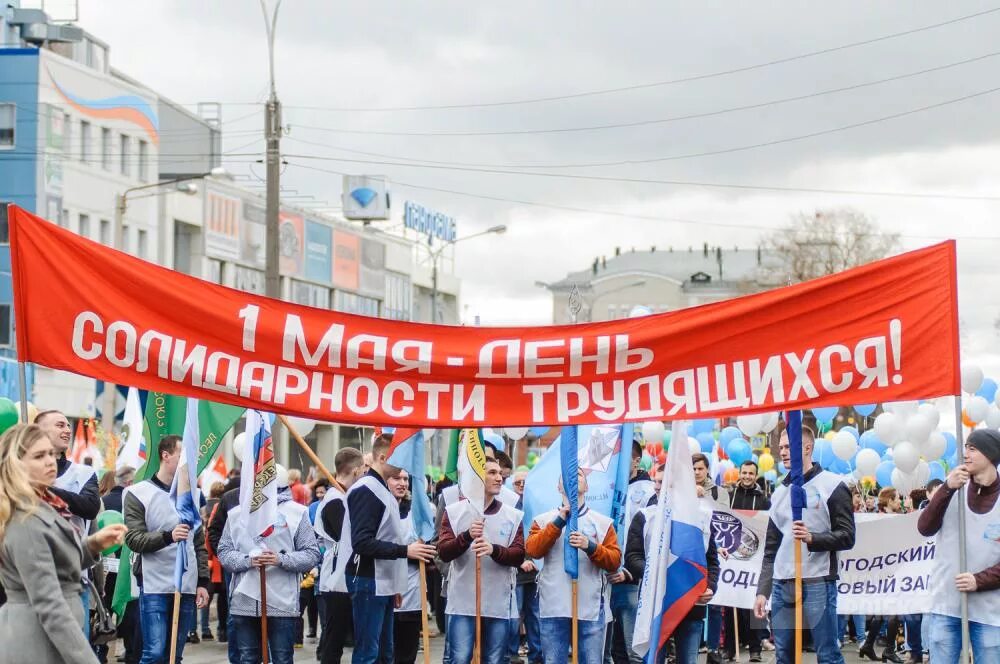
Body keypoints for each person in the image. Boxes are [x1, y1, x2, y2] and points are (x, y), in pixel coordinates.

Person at [0, 424, 127, 664]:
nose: (50, 461)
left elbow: (54, 559)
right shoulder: (25, 519)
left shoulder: (44, 503)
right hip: (37, 643)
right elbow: (50, 604)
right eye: (39, 456)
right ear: (15, 465)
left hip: (45, 638)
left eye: (50, 453)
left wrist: (92, 546)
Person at [753, 424, 855, 664]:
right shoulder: (779, 494)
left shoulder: (832, 485)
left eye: (789, 447)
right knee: (784, 655)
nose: (784, 452)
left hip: (818, 581)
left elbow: (848, 536)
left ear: (807, 447)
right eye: (781, 448)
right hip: (782, 584)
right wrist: (762, 591)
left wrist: (813, 538)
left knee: (827, 654)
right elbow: (770, 550)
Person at [337, 433, 437, 664]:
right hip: (367, 579)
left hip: (382, 582)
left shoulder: (381, 489)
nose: (405, 467)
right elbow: (361, 542)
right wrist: (405, 551)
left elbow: (385, 535)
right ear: (383, 458)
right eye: (400, 458)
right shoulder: (367, 489)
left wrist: (395, 583)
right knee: (369, 653)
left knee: (384, 653)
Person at [217, 465, 322, 664]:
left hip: (281, 601)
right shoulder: (236, 514)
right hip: (244, 599)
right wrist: (247, 561)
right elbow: (224, 551)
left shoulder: (297, 513)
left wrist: (281, 559)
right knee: (248, 658)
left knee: (282, 658)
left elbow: (311, 554)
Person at [624, 455, 721, 664]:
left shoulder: (700, 518)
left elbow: (711, 560)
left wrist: (710, 586)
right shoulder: (645, 516)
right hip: (655, 602)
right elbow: (632, 557)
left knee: (688, 660)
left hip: (690, 604)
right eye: (655, 481)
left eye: (662, 482)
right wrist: (658, 573)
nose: (657, 487)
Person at [123, 435, 210, 664]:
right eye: (183, 455)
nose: (188, 462)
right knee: (154, 654)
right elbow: (133, 538)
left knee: (175, 655)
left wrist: (202, 581)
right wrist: (167, 537)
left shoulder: (193, 495)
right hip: (154, 584)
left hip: (187, 584)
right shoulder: (138, 493)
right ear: (166, 455)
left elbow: (198, 542)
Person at [917, 428, 1000, 662]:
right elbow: (925, 527)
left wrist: (979, 580)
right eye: (965, 447)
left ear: (990, 454)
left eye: (973, 448)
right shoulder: (953, 488)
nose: (966, 453)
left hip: (989, 612)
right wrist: (946, 488)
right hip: (946, 605)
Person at [526, 468, 621, 664]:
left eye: (578, 474)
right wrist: (558, 522)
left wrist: (591, 546)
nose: (573, 477)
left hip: (590, 606)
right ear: (558, 486)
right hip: (554, 605)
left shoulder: (602, 523)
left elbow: (614, 561)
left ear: (586, 486)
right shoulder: (543, 520)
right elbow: (533, 550)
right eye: (566, 475)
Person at [439, 458, 525, 664]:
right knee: (459, 658)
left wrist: (494, 550)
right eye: (492, 473)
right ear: (477, 477)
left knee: (494, 660)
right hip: (463, 602)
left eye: (500, 474)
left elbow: (519, 554)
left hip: (497, 602)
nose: (499, 478)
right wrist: (467, 536)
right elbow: (443, 552)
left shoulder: (512, 515)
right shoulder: (454, 512)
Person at [607, 440, 656, 664]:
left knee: (633, 648)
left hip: (631, 581)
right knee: (611, 650)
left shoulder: (648, 492)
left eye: (623, 457)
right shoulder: (605, 486)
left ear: (636, 460)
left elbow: (652, 541)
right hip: (605, 577)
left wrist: (631, 571)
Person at [315, 447, 365, 664]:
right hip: (337, 581)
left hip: (350, 578)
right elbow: (348, 538)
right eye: (363, 471)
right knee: (334, 643)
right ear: (355, 471)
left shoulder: (345, 497)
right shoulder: (335, 499)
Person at [722, 460, 771, 662]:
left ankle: (755, 649)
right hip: (732, 556)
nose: (747, 477)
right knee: (731, 602)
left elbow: (767, 527)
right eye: (744, 473)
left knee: (753, 605)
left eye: (751, 473)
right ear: (739, 473)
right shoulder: (730, 496)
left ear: (755, 475)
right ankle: (730, 649)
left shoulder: (763, 500)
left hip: (754, 558)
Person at [102, 465, 143, 664]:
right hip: (127, 566)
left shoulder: (103, 501)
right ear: (129, 482)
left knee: (105, 609)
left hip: (105, 566)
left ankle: (101, 652)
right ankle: (130, 650)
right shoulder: (135, 501)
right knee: (129, 610)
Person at [858, 488, 904, 663]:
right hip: (886, 571)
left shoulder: (887, 517)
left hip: (887, 570)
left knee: (881, 612)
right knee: (893, 612)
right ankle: (889, 650)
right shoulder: (879, 519)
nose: (899, 501)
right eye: (898, 498)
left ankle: (868, 645)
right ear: (890, 501)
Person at [509, 468, 542, 664]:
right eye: (517, 482)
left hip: (536, 572)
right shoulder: (507, 507)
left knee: (535, 617)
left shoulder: (536, 505)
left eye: (525, 482)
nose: (521, 486)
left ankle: (536, 655)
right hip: (515, 571)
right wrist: (520, 561)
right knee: (515, 616)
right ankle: (512, 654)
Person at [391, 470, 424, 664]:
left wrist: (423, 550)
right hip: (383, 591)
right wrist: (405, 550)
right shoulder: (377, 508)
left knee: (406, 653)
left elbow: (431, 551)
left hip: (412, 592)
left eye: (405, 479)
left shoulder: (417, 512)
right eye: (397, 478)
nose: (402, 483)